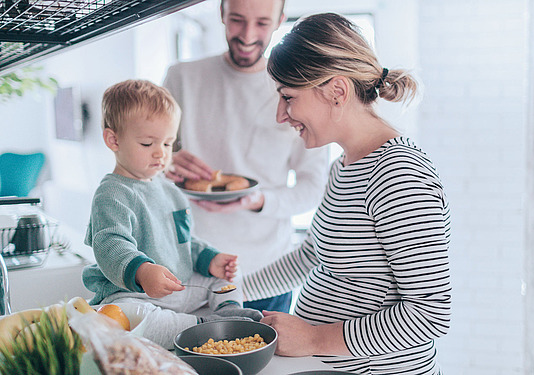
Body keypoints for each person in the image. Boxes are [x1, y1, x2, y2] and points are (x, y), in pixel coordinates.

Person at [243, 13, 452, 375]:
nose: (281, 115)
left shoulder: (398, 175)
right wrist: (232, 294)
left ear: (337, 92)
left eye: (288, 97)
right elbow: (310, 255)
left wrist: (313, 339)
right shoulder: (344, 165)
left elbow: (429, 314)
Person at [163, 0, 329, 314]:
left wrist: (259, 201)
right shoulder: (181, 77)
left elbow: (312, 188)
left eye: (262, 23)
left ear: (280, 20)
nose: (248, 34)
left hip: (266, 274)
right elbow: (145, 160)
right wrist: (164, 162)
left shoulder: (298, 91)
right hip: (189, 270)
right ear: (221, 14)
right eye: (237, 20)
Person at [82, 79, 262, 349]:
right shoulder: (112, 194)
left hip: (179, 286)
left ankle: (226, 312)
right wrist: (142, 271)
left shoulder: (171, 190)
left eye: (168, 144)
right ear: (113, 139)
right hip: (134, 293)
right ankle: (205, 329)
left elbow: (185, 240)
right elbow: (110, 245)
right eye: (147, 143)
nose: (160, 153)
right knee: (132, 318)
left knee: (225, 276)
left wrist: (210, 259)